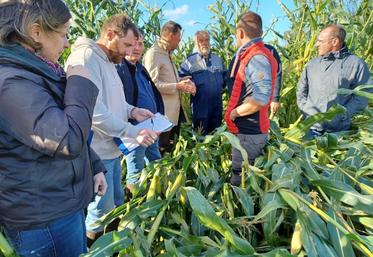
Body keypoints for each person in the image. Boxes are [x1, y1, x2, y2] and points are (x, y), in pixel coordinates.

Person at [0, 1, 107, 256]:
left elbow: (62, 123)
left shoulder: (37, 71)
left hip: (60, 205)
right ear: (36, 32)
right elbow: (66, 139)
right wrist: (80, 81)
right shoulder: (11, 81)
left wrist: (95, 167)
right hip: (43, 219)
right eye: (63, 34)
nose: (67, 43)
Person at [65, 14, 158, 245]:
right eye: (126, 44)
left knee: (115, 204)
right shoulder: (86, 58)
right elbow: (94, 112)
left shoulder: (108, 62)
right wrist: (132, 131)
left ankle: (112, 246)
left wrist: (132, 111)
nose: (128, 52)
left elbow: (114, 101)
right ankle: (96, 247)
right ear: (109, 35)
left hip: (113, 150)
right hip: (97, 154)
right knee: (100, 212)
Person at [224, 11, 277, 186]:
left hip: (250, 132)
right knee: (245, 176)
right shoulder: (251, 54)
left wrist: (235, 113)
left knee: (242, 180)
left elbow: (261, 98)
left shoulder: (257, 57)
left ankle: (244, 212)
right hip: (245, 132)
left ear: (240, 32)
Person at [296, 24, 372, 138]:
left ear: (334, 42)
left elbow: (364, 95)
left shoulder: (356, 64)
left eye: (320, 41)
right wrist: (306, 110)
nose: (316, 44)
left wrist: (343, 114)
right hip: (310, 128)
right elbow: (301, 90)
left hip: (338, 131)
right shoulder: (312, 64)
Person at [116, 30, 164, 192]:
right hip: (135, 131)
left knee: (156, 162)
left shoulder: (140, 68)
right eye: (133, 43)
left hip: (151, 127)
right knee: (135, 170)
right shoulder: (120, 69)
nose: (137, 48)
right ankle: (136, 205)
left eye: (141, 44)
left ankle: (156, 195)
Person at [143, 21, 196, 153]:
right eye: (178, 39)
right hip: (162, 116)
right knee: (162, 151)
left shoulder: (166, 53)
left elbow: (166, 78)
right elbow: (152, 84)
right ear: (171, 36)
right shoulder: (154, 54)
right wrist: (177, 85)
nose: (179, 43)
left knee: (171, 149)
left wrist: (182, 80)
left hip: (173, 114)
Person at [179, 30, 226, 135]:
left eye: (207, 40)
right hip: (200, 107)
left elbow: (224, 78)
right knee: (200, 137)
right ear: (195, 43)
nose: (204, 43)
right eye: (201, 40)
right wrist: (189, 84)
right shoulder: (190, 61)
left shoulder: (217, 59)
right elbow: (180, 78)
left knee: (215, 136)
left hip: (217, 106)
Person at [227, 44, 282, 116]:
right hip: (244, 102)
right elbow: (232, 78)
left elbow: (277, 73)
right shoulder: (239, 54)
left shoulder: (270, 50)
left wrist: (275, 99)